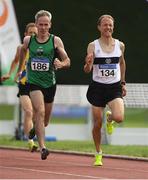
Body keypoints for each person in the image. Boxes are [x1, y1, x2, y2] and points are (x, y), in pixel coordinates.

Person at [18, 10, 70, 160]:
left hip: (50, 84)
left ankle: (35, 128)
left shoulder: (55, 41)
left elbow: (68, 60)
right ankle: (43, 148)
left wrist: (61, 63)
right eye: (40, 24)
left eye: (46, 24)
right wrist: (21, 68)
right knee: (39, 112)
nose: (43, 27)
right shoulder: (29, 41)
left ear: (50, 25)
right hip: (33, 83)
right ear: (36, 25)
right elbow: (22, 51)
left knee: (45, 121)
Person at [84, 14, 126, 166]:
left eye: (110, 25)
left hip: (114, 87)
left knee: (119, 117)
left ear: (113, 27)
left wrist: (123, 83)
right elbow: (87, 70)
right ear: (99, 27)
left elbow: (122, 64)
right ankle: (98, 153)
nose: (108, 27)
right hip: (98, 88)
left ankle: (111, 118)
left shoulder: (120, 45)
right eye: (105, 25)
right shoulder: (92, 45)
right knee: (97, 123)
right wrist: (89, 64)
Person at [1, 23, 38, 152]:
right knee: (28, 111)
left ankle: (32, 133)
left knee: (37, 115)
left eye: (35, 33)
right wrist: (9, 74)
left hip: (38, 84)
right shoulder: (21, 48)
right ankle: (30, 141)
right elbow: (16, 61)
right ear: (25, 35)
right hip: (23, 83)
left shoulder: (42, 49)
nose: (33, 35)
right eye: (30, 33)